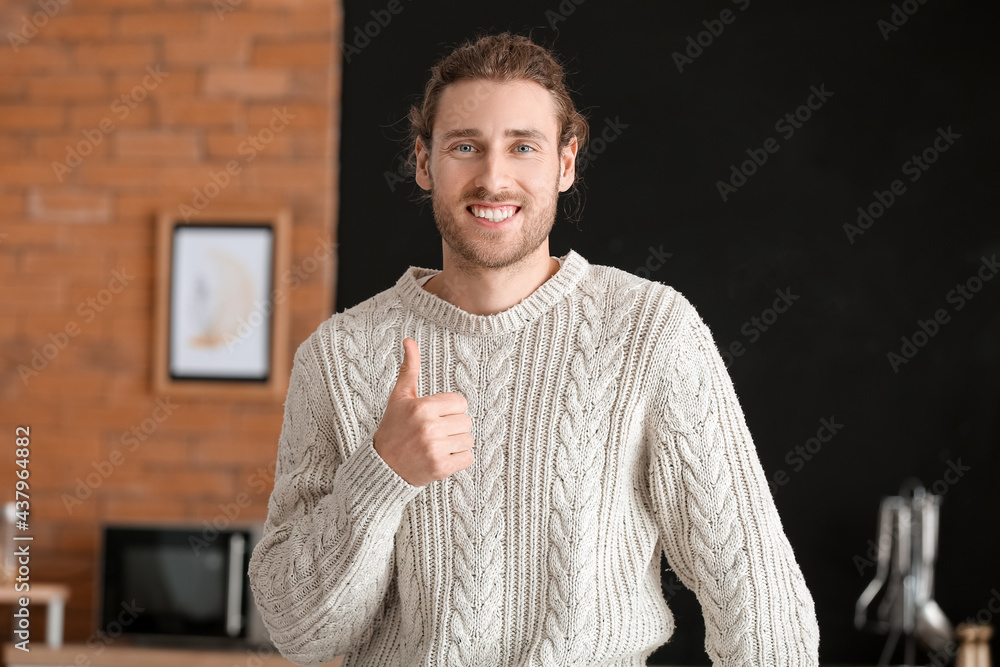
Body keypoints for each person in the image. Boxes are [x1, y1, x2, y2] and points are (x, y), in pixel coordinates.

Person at [248, 31, 820, 667]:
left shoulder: (651, 333)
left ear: (565, 164)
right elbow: (297, 630)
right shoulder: (338, 356)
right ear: (423, 162)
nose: (494, 178)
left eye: (523, 147)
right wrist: (381, 475)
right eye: (465, 147)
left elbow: (759, 602)